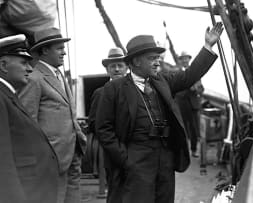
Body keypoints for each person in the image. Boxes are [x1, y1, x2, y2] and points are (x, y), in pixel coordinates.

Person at [96, 22, 223, 203]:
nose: (158, 61)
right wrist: (125, 159)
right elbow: (103, 129)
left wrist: (208, 46)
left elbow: (189, 76)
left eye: (158, 57)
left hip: (165, 156)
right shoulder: (113, 89)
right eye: (152, 58)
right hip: (136, 158)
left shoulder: (162, 81)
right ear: (136, 61)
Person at [19, 28, 87, 203]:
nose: (64, 52)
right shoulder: (34, 78)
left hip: (72, 151)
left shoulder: (59, 75)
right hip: (51, 158)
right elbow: (27, 123)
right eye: (59, 48)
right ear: (44, 50)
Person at [0, 34, 58, 203]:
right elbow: (3, 161)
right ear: (3, 64)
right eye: (24, 63)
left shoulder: (9, 95)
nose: (30, 69)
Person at [87, 47, 128, 197]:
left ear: (127, 68)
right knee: (116, 189)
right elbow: (93, 123)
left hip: (135, 149)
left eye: (120, 65)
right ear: (107, 69)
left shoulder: (135, 90)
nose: (117, 69)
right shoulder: (100, 93)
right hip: (111, 150)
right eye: (112, 66)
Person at [175, 51, 204, 158]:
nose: (184, 60)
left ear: (189, 59)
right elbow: (176, 88)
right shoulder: (177, 73)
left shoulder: (195, 72)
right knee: (181, 128)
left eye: (186, 58)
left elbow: (201, 89)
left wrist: (197, 89)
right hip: (181, 104)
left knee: (194, 129)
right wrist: (187, 88)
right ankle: (181, 151)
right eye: (182, 58)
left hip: (193, 105)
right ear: (180, 61)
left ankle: (194, 149)